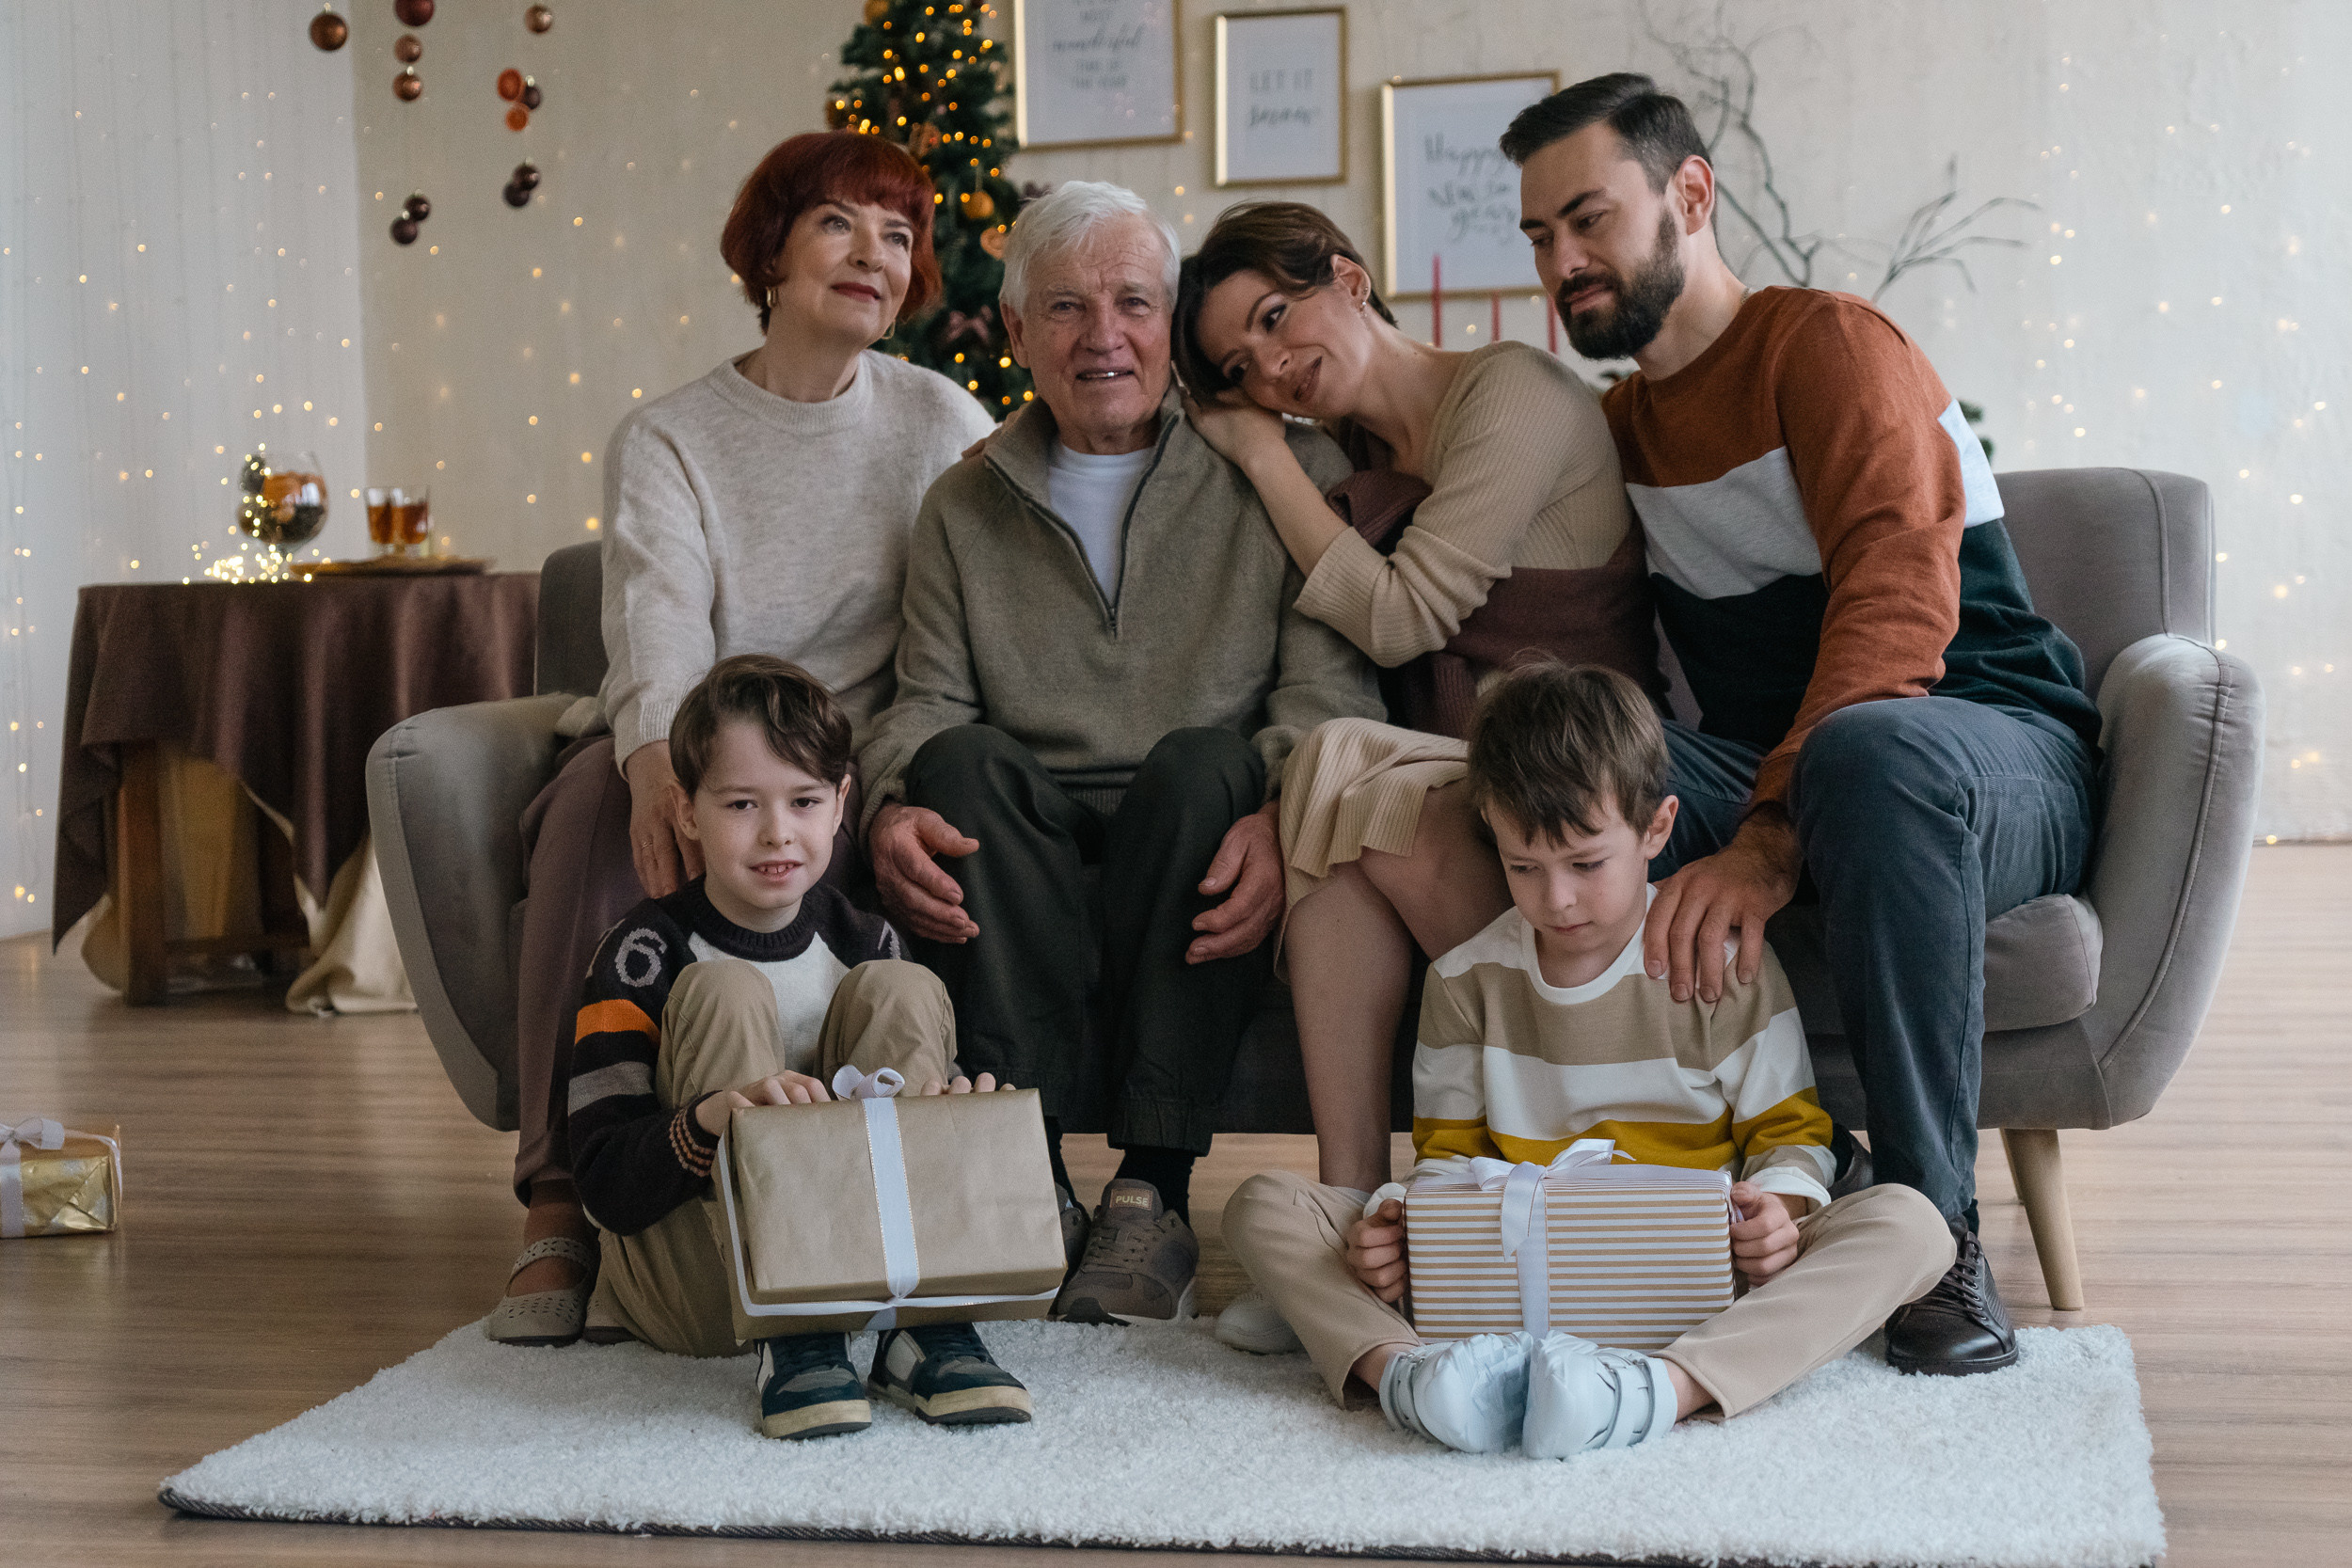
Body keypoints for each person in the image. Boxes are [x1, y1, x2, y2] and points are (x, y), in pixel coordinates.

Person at [1500, 74, 2104, 1375]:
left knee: (1866, 750)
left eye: (1589, 220)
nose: (1564, 262)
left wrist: (1767, 843)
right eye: (1541, 237)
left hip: (1981, 739)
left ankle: (1930, 1233)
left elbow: (1897, 607)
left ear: (1692, 196)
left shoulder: (1827, 347)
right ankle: (1627, 1205)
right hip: (1798, 763)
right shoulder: (1620, 427)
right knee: (1568, 790)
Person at [489, 131, 995, 1347]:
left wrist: (866, 788)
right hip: (705, 740)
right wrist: (664, 763)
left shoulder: (943, 420)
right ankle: (559, 1194)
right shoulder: (671, 434)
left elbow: (983, 623)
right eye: (838, 223)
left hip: (855, 760)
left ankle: (963, 1187)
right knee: (593, 811)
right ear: (769, 252)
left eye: (899, 233)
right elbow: (656, 619)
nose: (875, 253)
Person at [855, 182, 1383, 1324]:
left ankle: (1152, 1190)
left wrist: (1281, 816)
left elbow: (1322, 692)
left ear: (1172, 314)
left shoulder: (1269, 470)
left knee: (1205, 762)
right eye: (1065, 308)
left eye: (1134, 302)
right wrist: (888, 804)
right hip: (1029, 819)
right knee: (956, 768)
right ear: (1014, 333)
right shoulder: (962, 503)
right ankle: (1029, 1180)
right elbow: (922, 701)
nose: (1104, 336)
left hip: (1196, 810)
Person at [1223, 663, 1955, 1456]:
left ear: (1656, 827)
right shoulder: (1467, 979)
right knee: (1264, 1204)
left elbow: (1788, 1133)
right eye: (1523, 868)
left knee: (1914, 1223)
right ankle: (1410, 1377)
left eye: (1584, 863)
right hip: (1510, 1295)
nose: (1557, 899)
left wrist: (1783, 1212)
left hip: (1697, 1287)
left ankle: (1658, 1391)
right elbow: (1449, 1161)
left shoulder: (1718, 958)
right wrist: (1400, 1227)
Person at [1170, 201, 1664, 1354]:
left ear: (1350, 277)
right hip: (1460, 796)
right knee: (1336, 852)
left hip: (1577, 791)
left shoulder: (1513, 393)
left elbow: (1400, 621)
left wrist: (1251, 445)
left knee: (1333, 772)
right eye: (1244, 368)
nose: (1276, 370)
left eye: (1277, 318)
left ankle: (1395, 1220)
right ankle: (1359, 1220)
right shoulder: (1355, 464)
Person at [568, 655, 1032, 1441]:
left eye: (805, 800)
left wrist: (950, 1118)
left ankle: (921, 1326)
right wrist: (711, 1120)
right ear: (686, 811)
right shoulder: (642, 953)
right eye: (742, 802)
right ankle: (793, 1338)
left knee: (903, 987)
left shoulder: (868, 939)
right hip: (707, 1286)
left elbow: (936, 1128)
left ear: (842, 803)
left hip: (863, 1276)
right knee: (726, 990)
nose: (778, 830)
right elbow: (602, 1185)